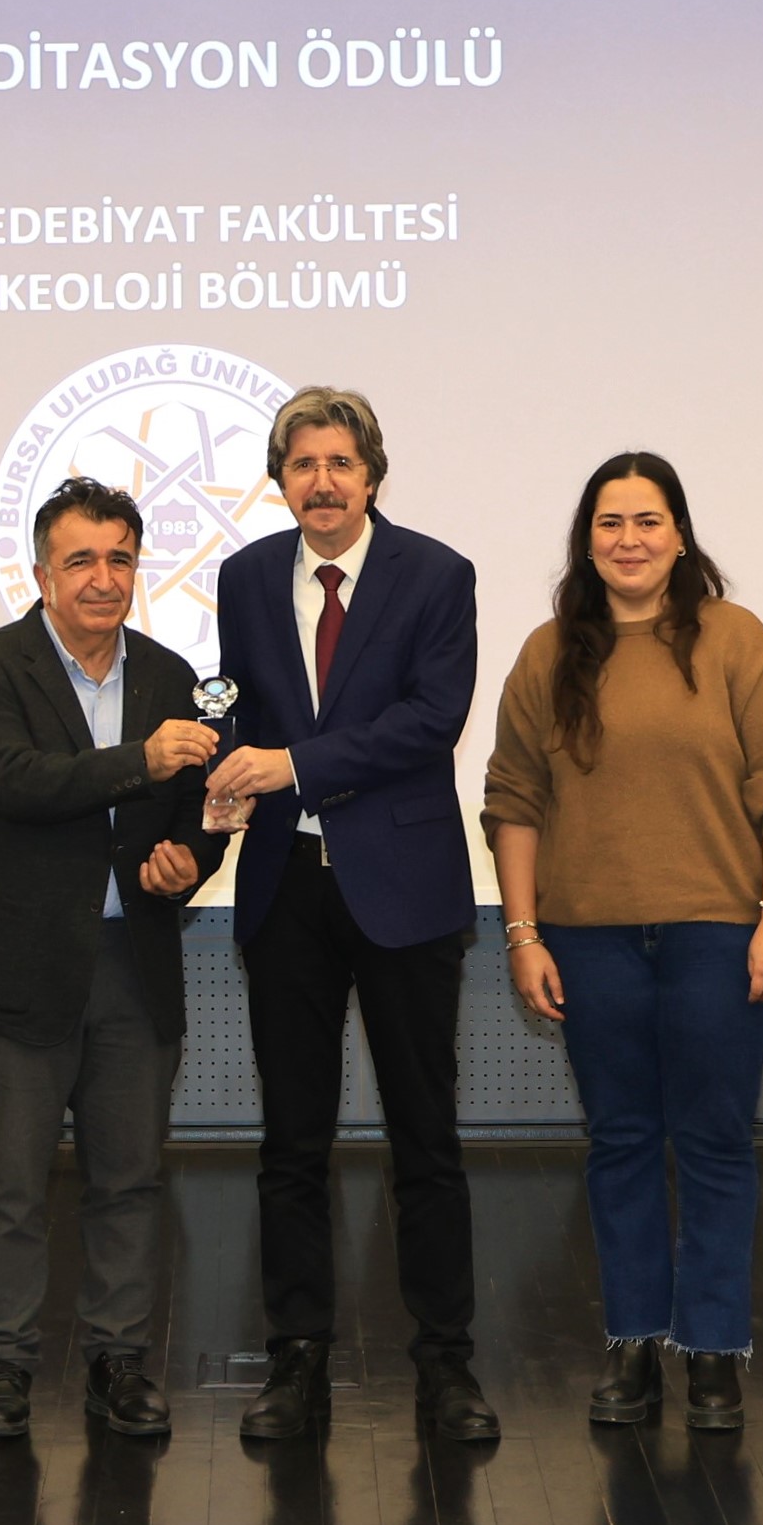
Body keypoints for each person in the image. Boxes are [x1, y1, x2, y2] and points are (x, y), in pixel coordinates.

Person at [484, 453, 763, 1433]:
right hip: (587, 938)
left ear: (679, 535)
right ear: (587, 540)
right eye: (610, 522)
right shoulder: (549, 653)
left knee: (715, 1139)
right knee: (620, 1140)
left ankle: (713, 1348)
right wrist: (520, 931)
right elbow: (513, 800)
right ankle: (632, 1339)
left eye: (648, 520)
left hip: (720, 932)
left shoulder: (735, 639)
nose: (629, 539)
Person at [203, 386, 500, 1444]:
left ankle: (446, 1363)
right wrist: (216, 775)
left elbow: (432, 721)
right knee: (292, 1140)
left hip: (405, 887)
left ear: (372, 474)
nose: (322, 482)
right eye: (303, 464)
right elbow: (237, 708)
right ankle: (296, 1359)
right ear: (279, 479)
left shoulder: (437, 573)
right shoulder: (244, 578)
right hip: (286, 884)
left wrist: (292, 763)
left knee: (426, 1137)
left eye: (340, 462)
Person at [0, 477, 236, 1444]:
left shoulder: (169, 675)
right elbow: (11, 783)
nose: (103, 579)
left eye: (120, 559)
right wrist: (139, 763)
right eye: (81, 561)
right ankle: (4, 1365)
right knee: (9, 1185)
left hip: (132, 967)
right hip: (20, 970)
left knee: (129, 1180)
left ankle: (119, 1361)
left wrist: (189, 859)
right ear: (41, 574)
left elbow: (197, 810)